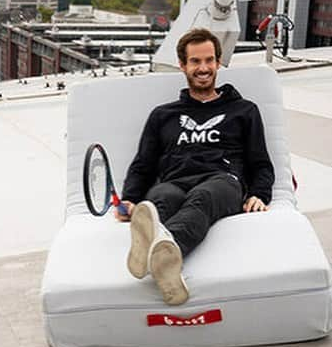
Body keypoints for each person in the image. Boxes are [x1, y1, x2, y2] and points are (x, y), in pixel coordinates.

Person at [116, 28, 274, 305]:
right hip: (173, 181)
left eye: (209, 60)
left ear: (218, 62)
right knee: (160, 200)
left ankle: (162, 250)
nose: (203, 68)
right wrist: (129, 199)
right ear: (183, 65)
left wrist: (260, 193)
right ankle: (162, 259)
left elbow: (260, 162)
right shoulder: (163, 115)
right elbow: (143, 164)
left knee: (202, 198)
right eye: (195, 62)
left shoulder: (244, 110)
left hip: (222, 180)